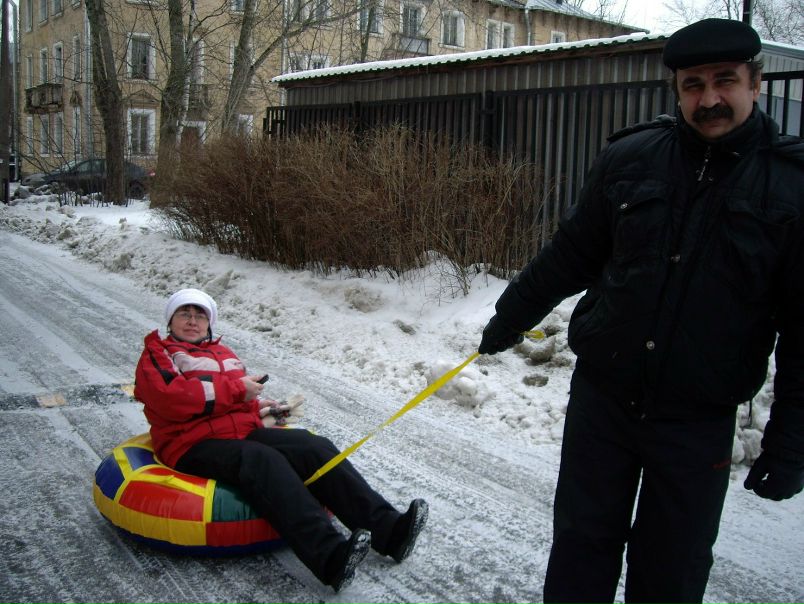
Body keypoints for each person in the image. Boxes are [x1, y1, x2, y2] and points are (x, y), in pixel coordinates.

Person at [478, 18, 804, 604]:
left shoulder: (791, 187)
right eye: (692, 84)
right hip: (602, 402)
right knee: (581, 546)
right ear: (676, 89)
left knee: (671, 569)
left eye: (724, 81)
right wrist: (511, 316)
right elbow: (572, 254)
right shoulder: (631, 158)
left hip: (697, 421)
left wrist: (791, 445)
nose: (708, 99)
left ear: (755, 83)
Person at [134, 288, 428, 592]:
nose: (192, 321)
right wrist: (238, 390)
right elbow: (171, 398)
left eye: (200, 316)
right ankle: (330, 557)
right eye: (184, 314)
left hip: (238, 432)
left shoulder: (224, 353)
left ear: (209, 323)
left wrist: (266, 409)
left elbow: (238, 401)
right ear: (171, 320)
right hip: (191, 443)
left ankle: (390, 531)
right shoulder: (159, 352)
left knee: (313, 446)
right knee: (262, 459)